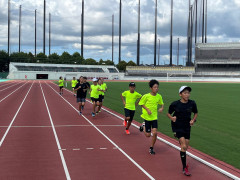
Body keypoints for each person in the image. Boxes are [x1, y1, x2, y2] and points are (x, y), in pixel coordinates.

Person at [167, 86, 198, 176]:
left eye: (188, 93)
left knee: (185, 147)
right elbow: (168, 113)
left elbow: (195, 113)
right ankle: (184, 168)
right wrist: (172, 118)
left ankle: (180, 139)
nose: (187, 94)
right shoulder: (175, 104)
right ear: (180, 94)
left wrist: (193, 120)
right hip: (177, 125)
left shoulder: (192, 103)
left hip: (187, 127)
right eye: (185, 93)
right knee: (184, 146)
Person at [139, 79, 164, 155]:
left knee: (155, 133)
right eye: (155, 87)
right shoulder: (146, 96)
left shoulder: (159, 96)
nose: (156, 89)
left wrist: (161, 108)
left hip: (154, 117)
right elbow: (141, 103)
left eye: (157, 87)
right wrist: (147, 109)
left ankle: (151, 148)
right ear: (151, 88)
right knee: (148, 135)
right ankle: (143, 126)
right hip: (147, 117)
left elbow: (162, 103)